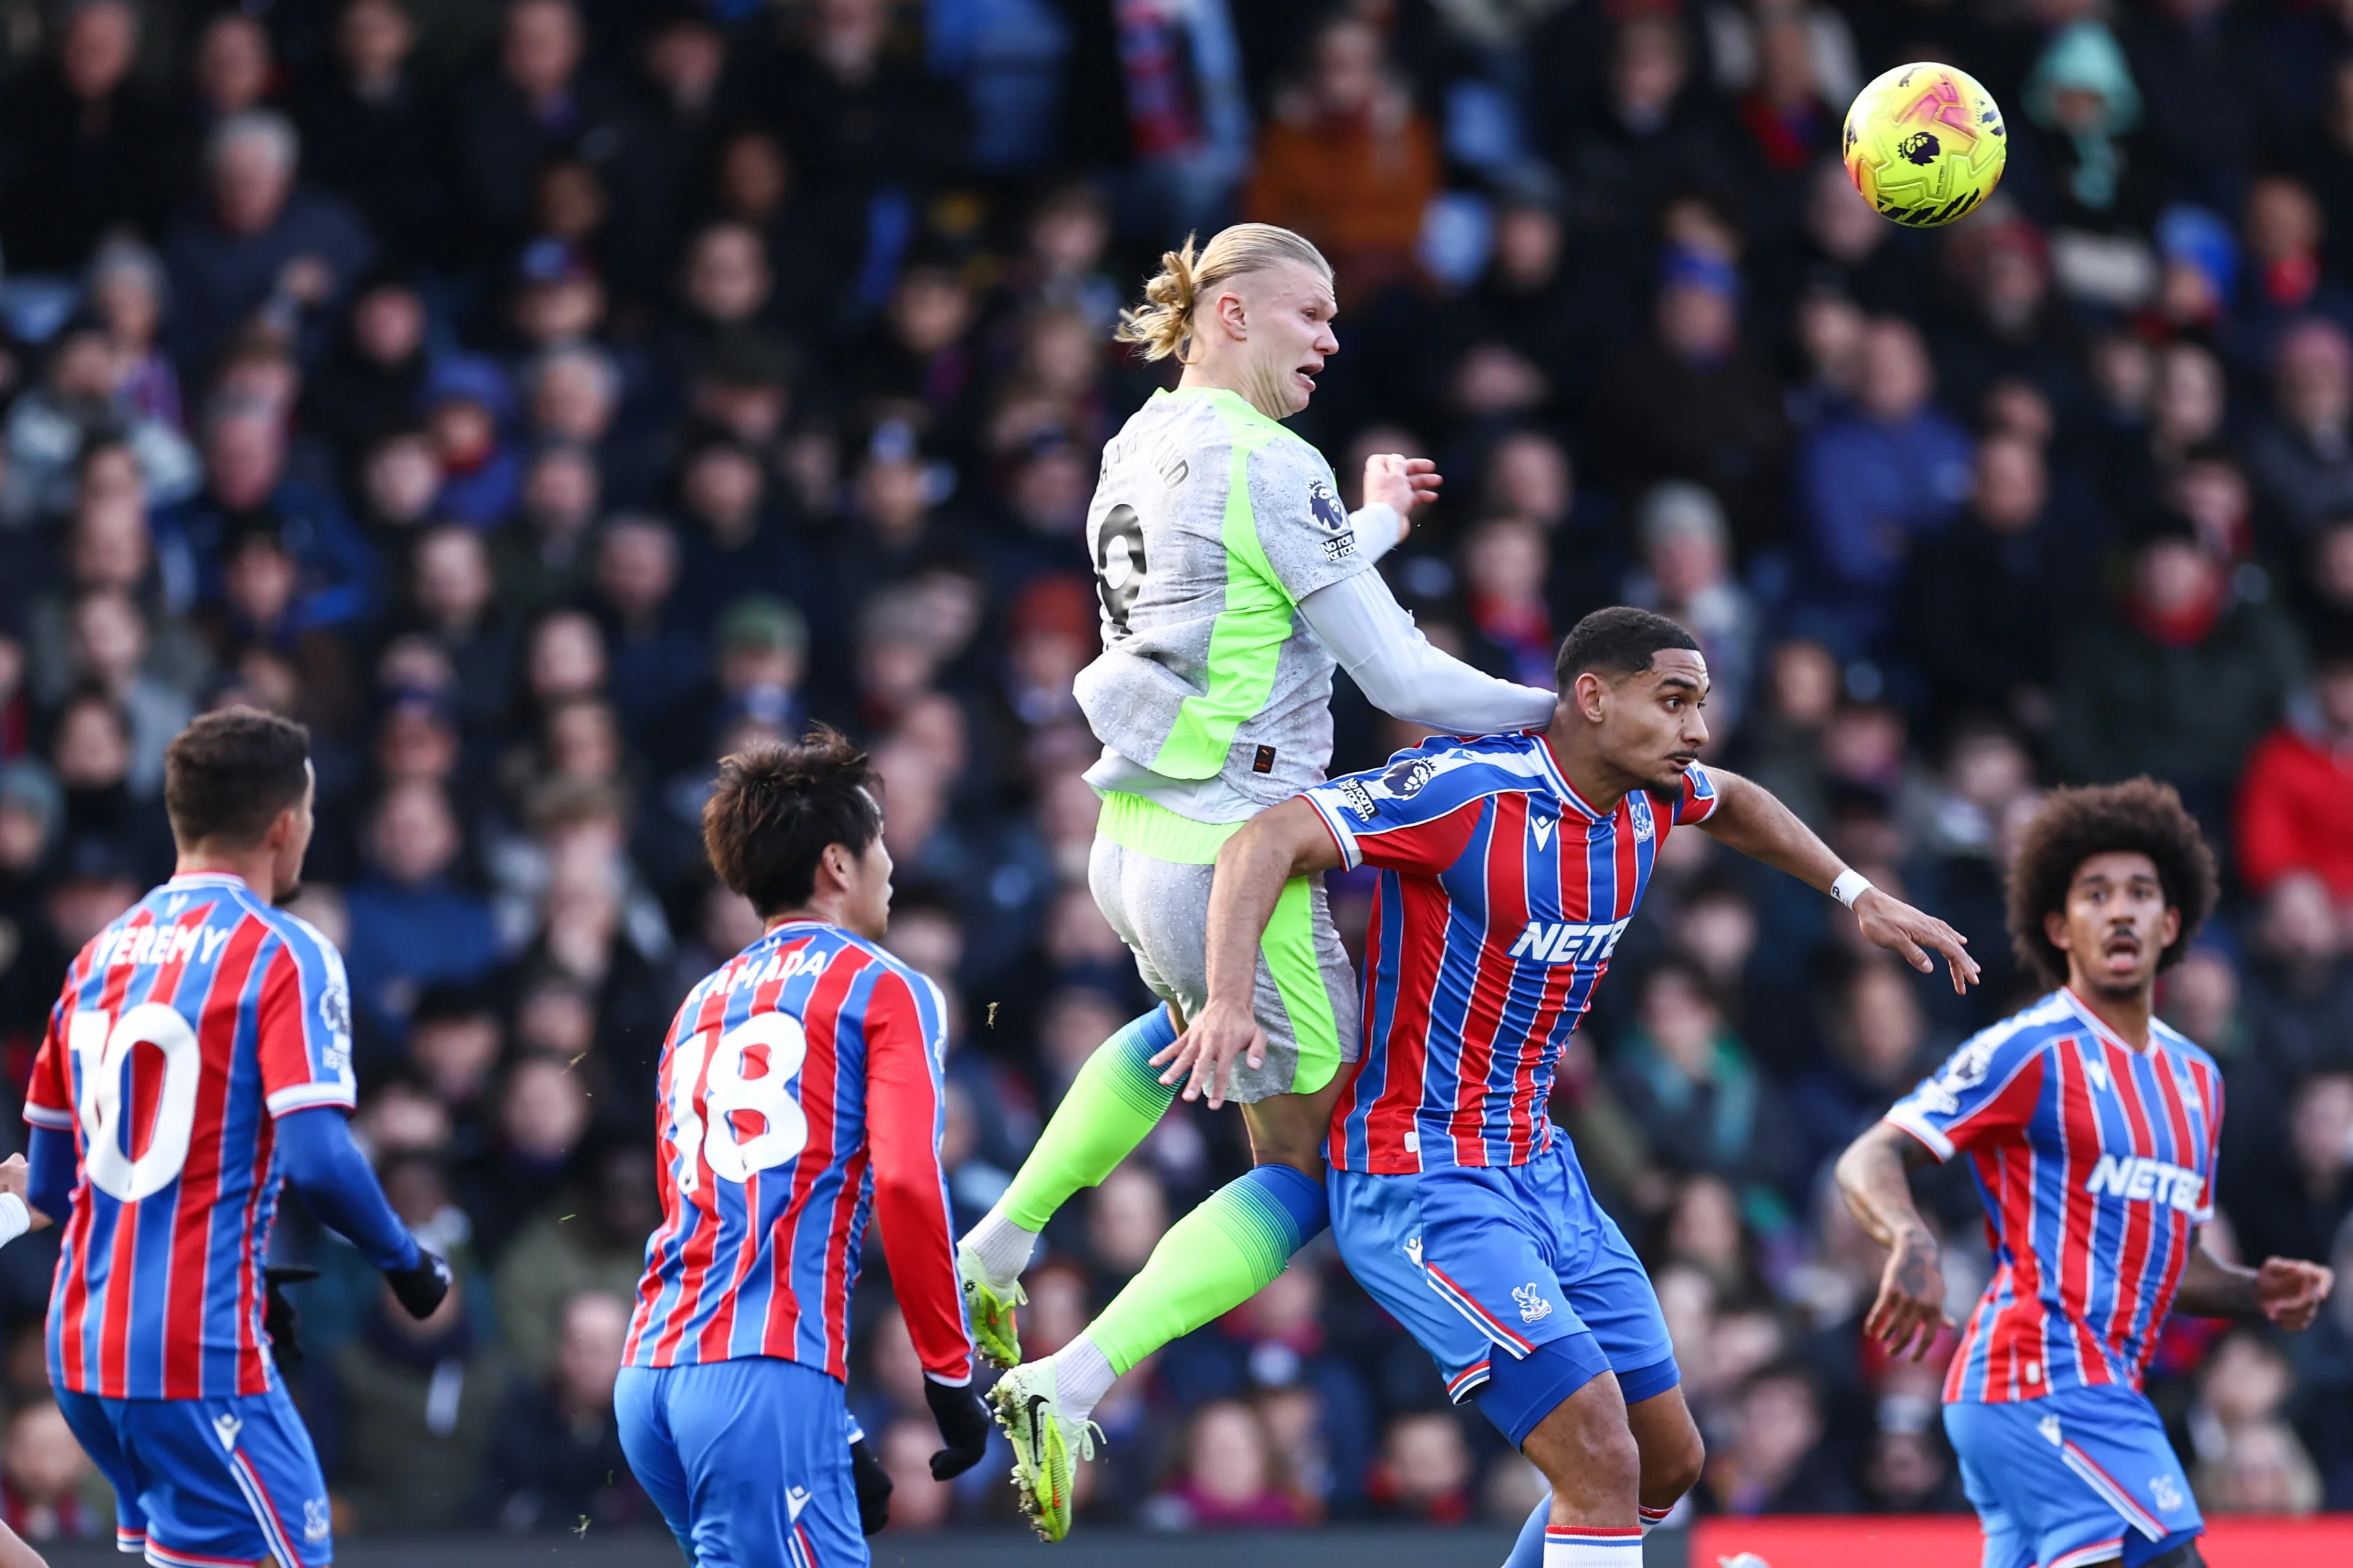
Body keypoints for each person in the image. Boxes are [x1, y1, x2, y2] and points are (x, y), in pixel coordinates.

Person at [958, 223, 1560, 1540]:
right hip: (1237, 849)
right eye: (1311, 314)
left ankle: (999, 1240)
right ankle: (1069, 1379)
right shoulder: (1270, 462)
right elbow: (1401, 682)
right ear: (1229, 313)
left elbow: (1256, 598)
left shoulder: (1141, 441)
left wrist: (1376, 523)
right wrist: (1573, 713)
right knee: (1315, 1165)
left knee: (1188, 1034)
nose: (1332, 338)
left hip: (1129, 838)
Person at [1158, 608, 1980, 1567]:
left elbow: (1742, 801)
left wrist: (1855, 893)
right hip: (1421, 1170)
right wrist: (1226, 995)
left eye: (1702, 706)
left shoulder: (1651, 798)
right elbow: (1264, 839)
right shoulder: (1465, 792)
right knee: (1596, 1451)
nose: (1697, 731)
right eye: (1673, 703)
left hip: (1538, 1166)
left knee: (1665, 1465)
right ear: (1591, 698)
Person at [1835, 780, 2337, 1568]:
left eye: (2141, 892)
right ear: (2058, 925)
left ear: (2171, 923)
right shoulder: (2028, 1049)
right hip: (2035, 1374)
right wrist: (1911, 1240)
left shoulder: (2197, 1077)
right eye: (2094, 893)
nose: (2120, 910)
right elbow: (1870, 1152)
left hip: (2097, 1387)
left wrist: (2248, 1290)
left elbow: (2163, 1263)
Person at [18, 707, 450, 1568]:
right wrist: (408, 1263)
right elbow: (320, 1161)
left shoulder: (100, 955)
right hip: (193, 1348)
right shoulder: (283, 951)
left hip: (82, 1347)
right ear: (286, 826)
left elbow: (46, 1186)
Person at [614, 727, 990, 1567]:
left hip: (651, 1374)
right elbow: (905, 1182)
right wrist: (948, 1370)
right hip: (760, 1375)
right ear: (837, 863)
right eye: (880, 839)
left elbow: (706, 1208)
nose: (892, 861)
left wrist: (837, 1425)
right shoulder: (885, 984)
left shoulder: (698, 1004)